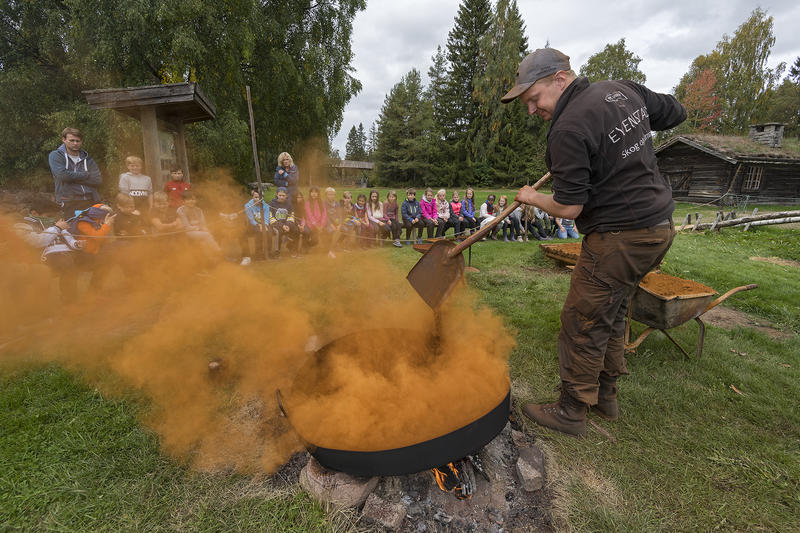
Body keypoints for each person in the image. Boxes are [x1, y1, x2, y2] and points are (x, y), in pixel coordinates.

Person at [504, 48, 686, 436]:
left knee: (582, 319)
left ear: (559, 78)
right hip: (658, 227)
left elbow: (569, 208)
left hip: (621, 235)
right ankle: (606, 396)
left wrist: (532, 197)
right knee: (613, 310)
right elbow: (675, 112)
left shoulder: (568, 128)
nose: (532, 111)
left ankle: (571, 411)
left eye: (534, 100)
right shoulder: (621, 90)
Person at [48, 127, 102, 219]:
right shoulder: (56, 155)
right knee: (72, 231)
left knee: (93, 230)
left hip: (91, 200)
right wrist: (85, 175)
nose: (75, 143)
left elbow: (97, 180)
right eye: (72, 140)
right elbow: (62, 176)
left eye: (78, 141)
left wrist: (72, 179)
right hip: (69, 201)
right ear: (64, 140)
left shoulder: (87, 158)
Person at [177, 191, 222, 258]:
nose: (191, 201)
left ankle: (212, 261)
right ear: (183, 201)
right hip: (187, 232)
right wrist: (200, 228)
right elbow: (187, 226)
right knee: (207, 235)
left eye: (193, 199)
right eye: (188, 199)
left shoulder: (199, 210)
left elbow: (203, 224)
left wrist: (204, 228)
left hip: (199, 231)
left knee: (204, 243)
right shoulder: (181, 210)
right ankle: (219, 252)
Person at [241, 188, 271, 264]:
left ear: (263, 197)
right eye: (256, 197)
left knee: (269, 231)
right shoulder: (248, 205)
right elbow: (251, 219)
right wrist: (258, 225)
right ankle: (258, 253)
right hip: (253, 224)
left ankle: (268, 252)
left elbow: (267, 217)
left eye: (260, 197)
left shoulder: (266, 206)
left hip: (264, 223)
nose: (258, 199)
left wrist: (265, 225)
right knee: (258, 231)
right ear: (253, 197)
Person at [268, 187, 298, 257]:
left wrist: (288, 225)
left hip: (287, 224)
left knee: (295, 229)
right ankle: (277, 251)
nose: (281, 197)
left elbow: (291, 216)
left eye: (283, 195)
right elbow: (270, 218)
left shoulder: (289, 204)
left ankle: (292, 248)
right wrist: (282, 226)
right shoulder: (272, 204)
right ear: (276, 194)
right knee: (279, 232)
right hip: (275, 224)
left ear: (287, 195)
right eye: (280, 195)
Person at [305, 186, 327, 252]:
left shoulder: (321, 202)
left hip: (320, 225)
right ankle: (306, 245)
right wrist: (316, 226)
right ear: (310, 193)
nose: (314, 194)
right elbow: (310, 215)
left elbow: (324, 214)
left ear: (318, 194)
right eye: (312, 192)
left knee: (327, 233)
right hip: (311, 225)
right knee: (315, 240)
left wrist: (322, 225)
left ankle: (327, 249)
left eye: (316, 192)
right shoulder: (308, 203)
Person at [323, 187, 340, 258]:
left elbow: (340, 215)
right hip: (327, 224)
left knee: (341, 230)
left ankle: (335, 246)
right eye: (329, 194)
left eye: (333, 194)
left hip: (336, 223)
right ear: (326, 195)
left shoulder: (337, 204)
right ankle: (331, 251)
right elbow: (325, 216)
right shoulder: (324, 204)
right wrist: (330, 224)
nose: (331, 196)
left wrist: (339, 224)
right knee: (333, 232)